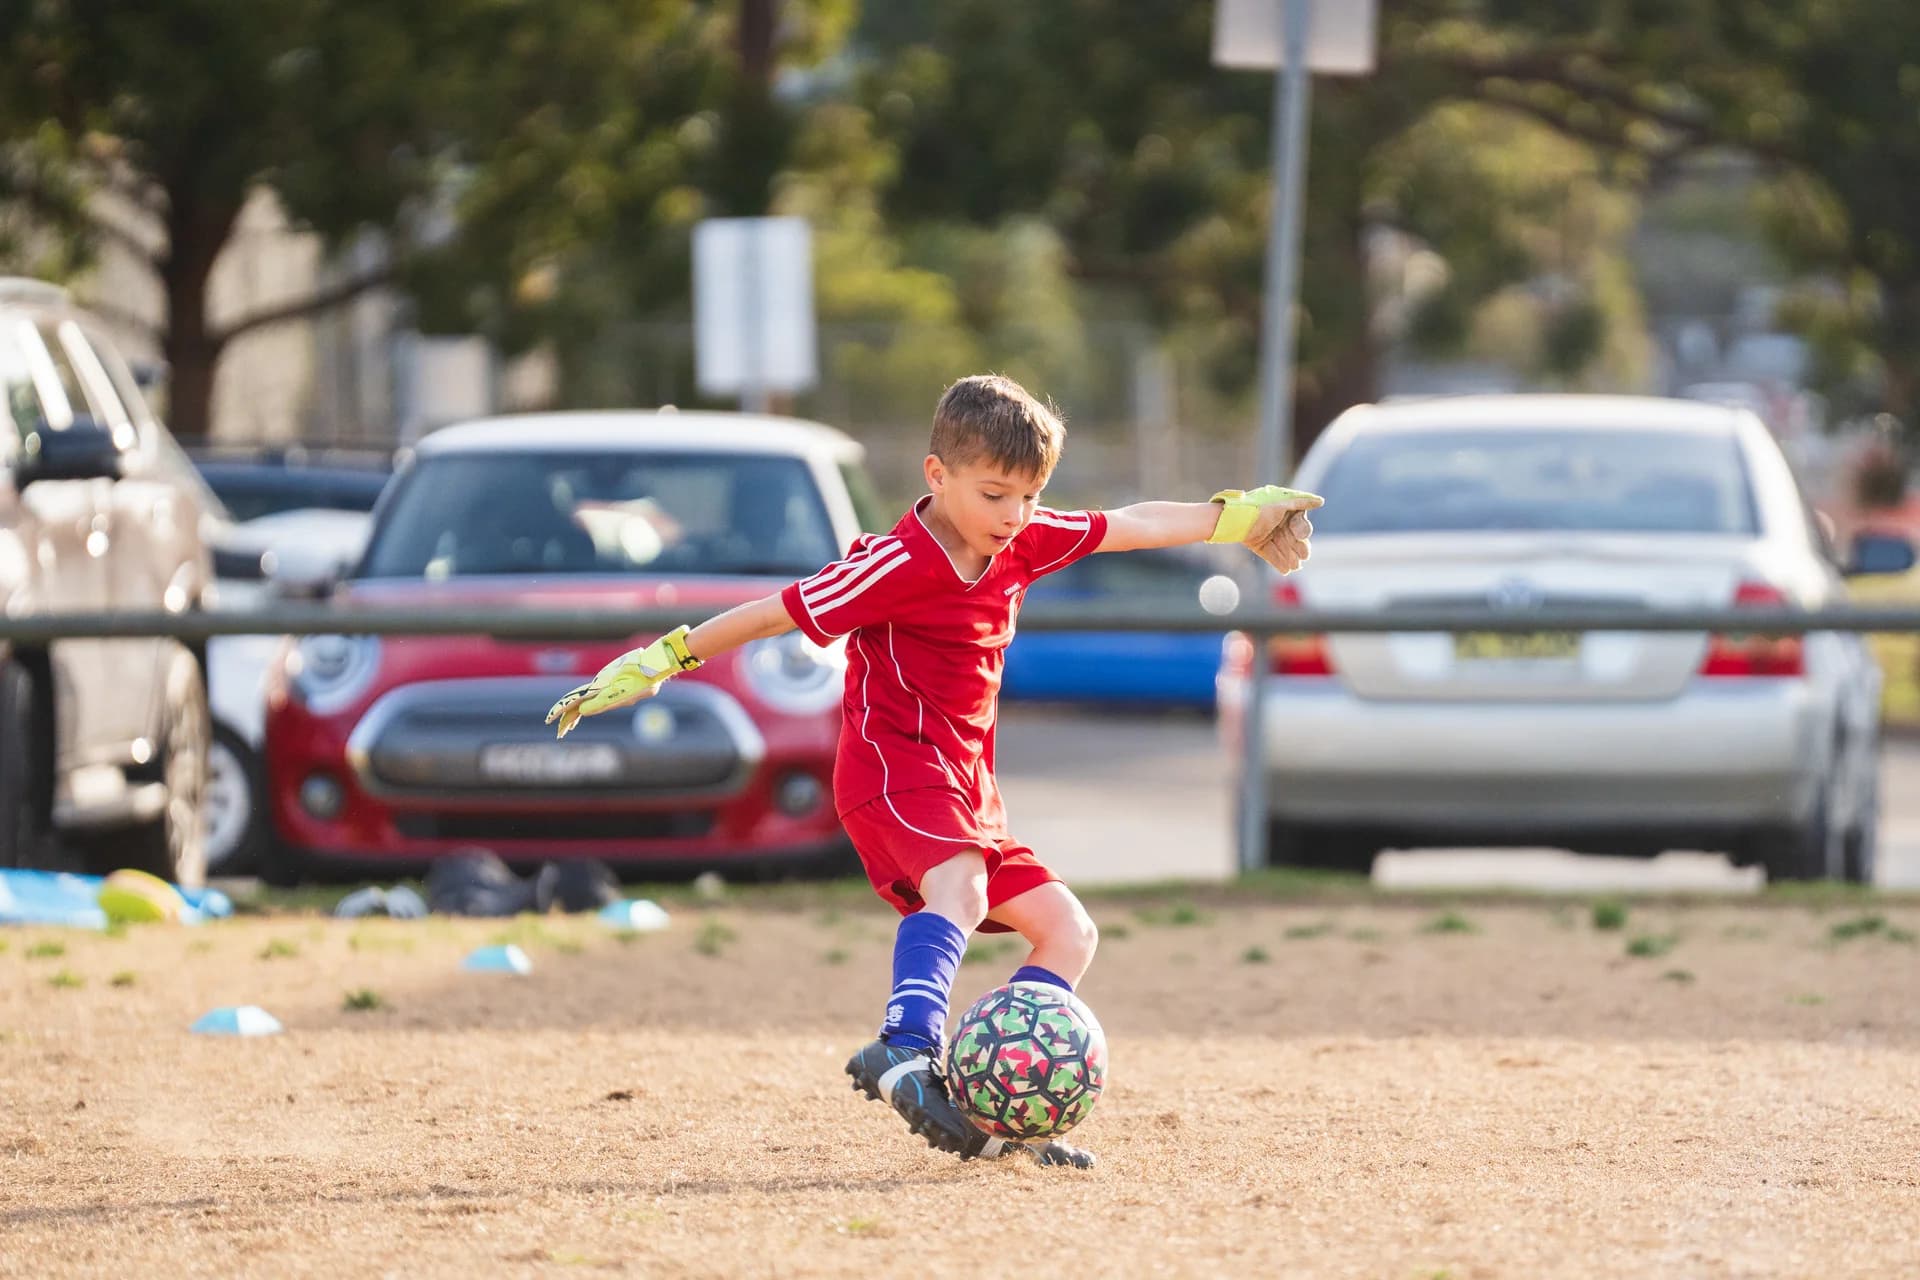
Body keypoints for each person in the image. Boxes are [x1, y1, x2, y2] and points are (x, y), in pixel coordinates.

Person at [546, 374, 1320, 1168]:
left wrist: (1238, 517)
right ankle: (904, 1048)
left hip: (968, 791)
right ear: (937, 476)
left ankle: (1000, 1112)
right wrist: (659, 660)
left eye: (1028, 495)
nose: (1014, 515)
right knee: (962, 886)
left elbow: (1131, 524)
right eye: (995, 494)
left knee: (1068, 933)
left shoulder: (1020, 540)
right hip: (893, 770)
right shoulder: (891, 563)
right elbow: (776, 610)